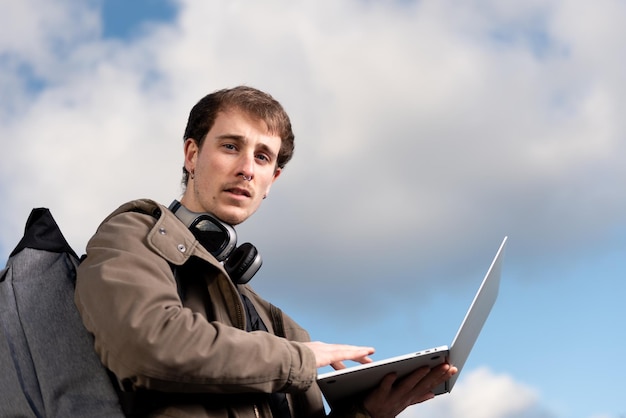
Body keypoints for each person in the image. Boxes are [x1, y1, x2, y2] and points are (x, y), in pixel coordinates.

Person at [74, 86, 457, 418]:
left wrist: (367, 412)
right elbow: (146, 344)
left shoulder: (274, 325)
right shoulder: (132, 233)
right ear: (191, 155)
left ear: (272, 179)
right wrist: (299, 360)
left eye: (262, 157)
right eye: (230, 146)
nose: (246, 169)